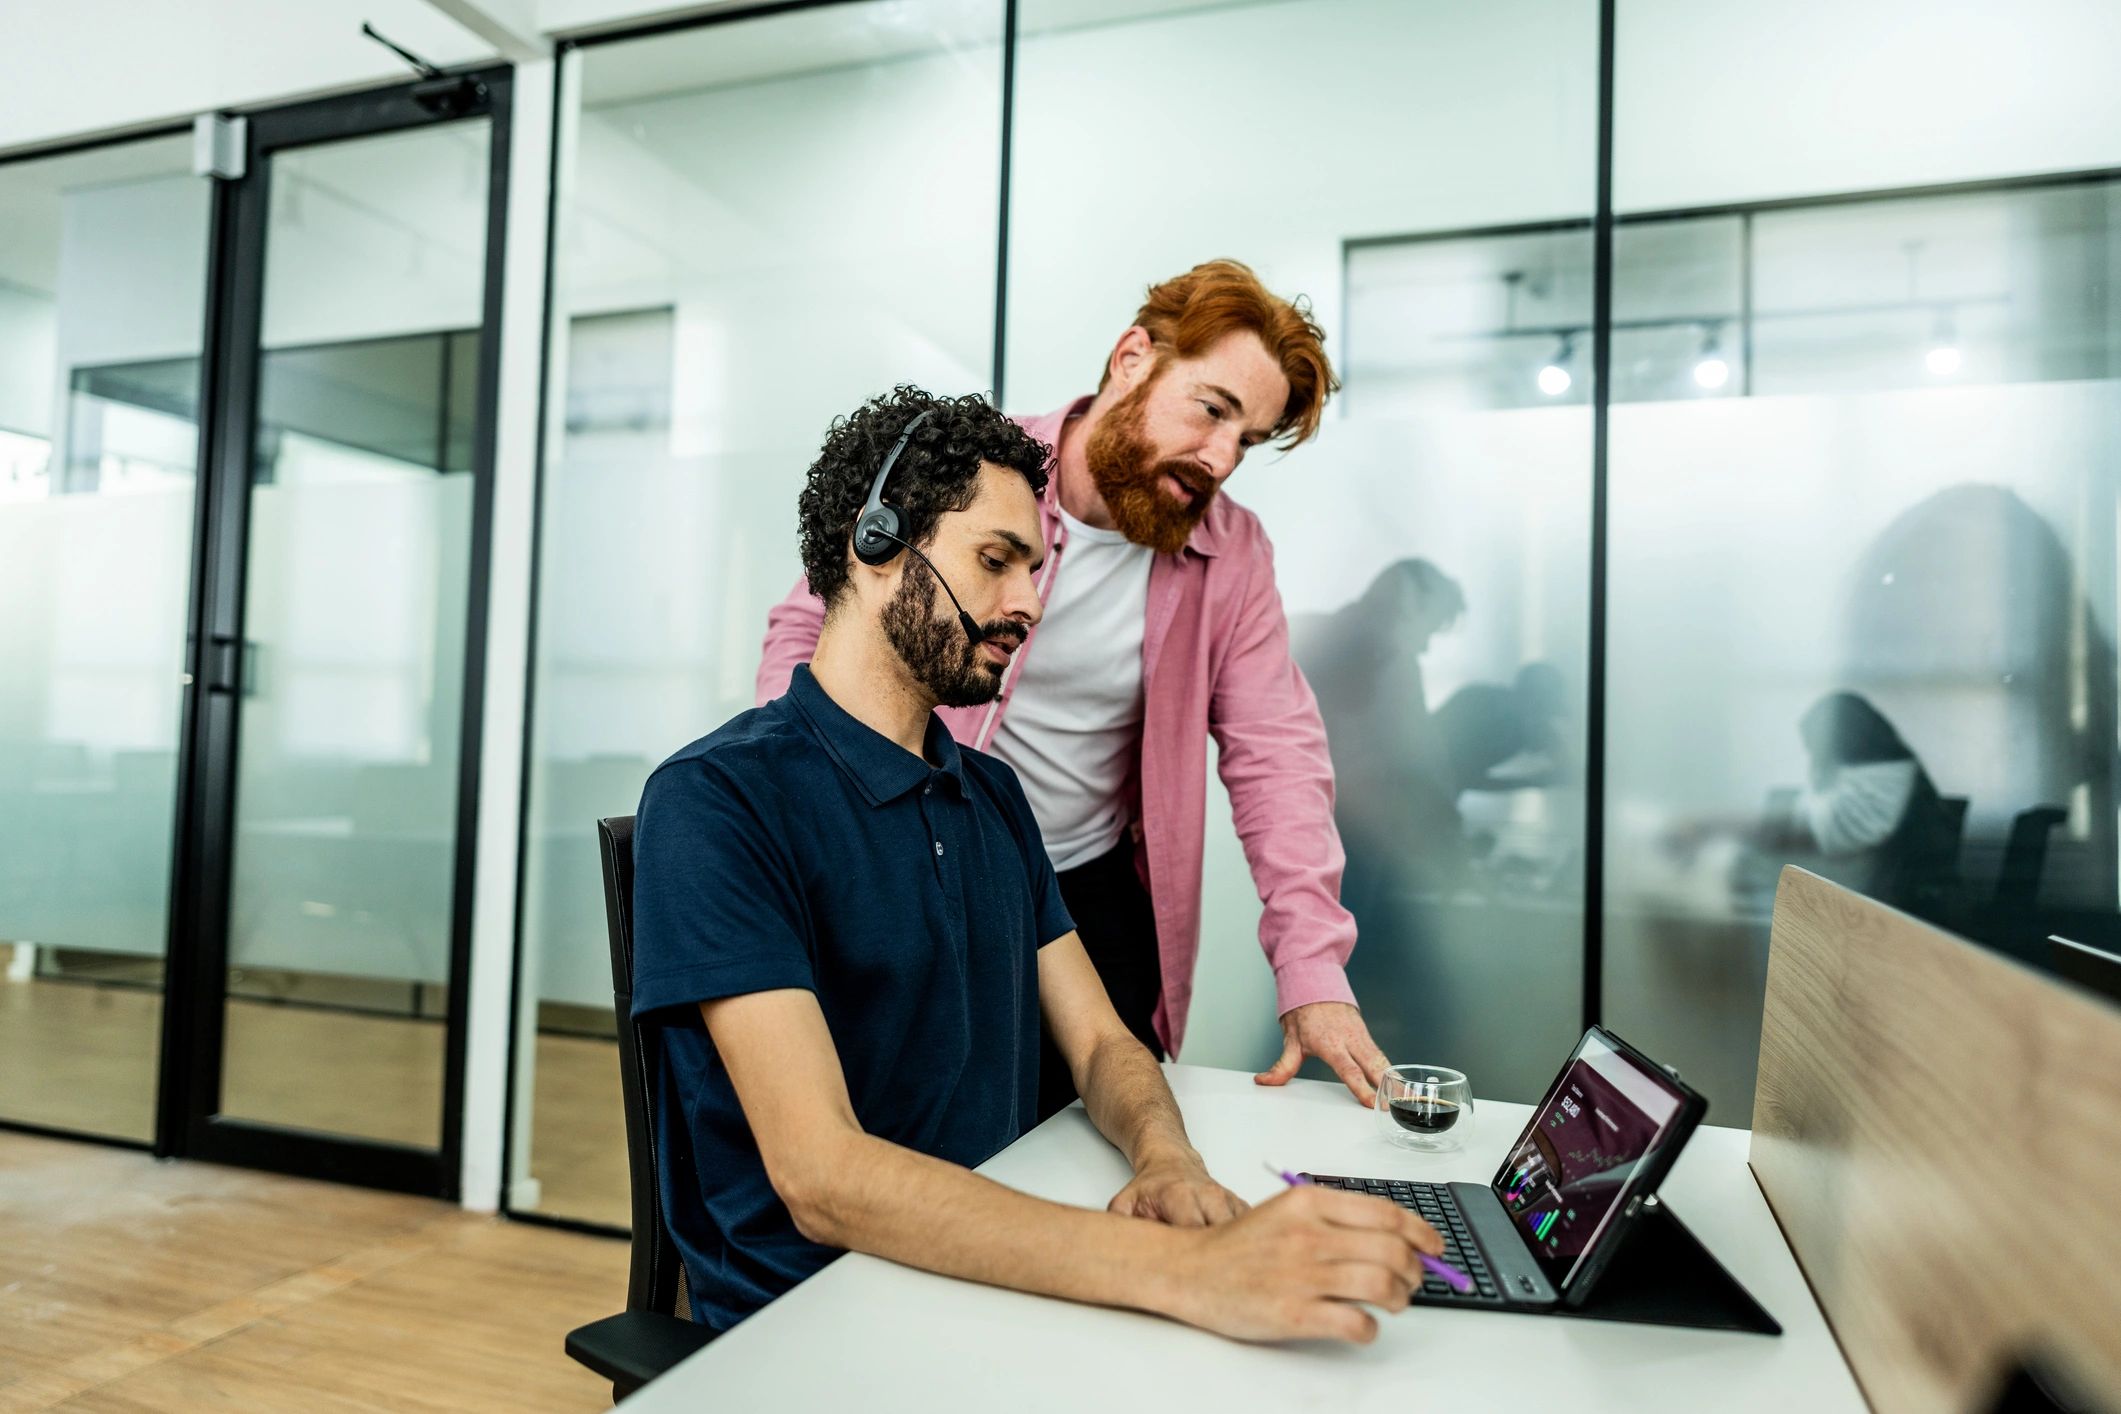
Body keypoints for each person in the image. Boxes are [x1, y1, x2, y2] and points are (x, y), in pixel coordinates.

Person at [632, 388, 1442, 1339]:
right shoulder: (717, 801)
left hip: (988, 1269)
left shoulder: (991, 795)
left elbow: (1101, 1047)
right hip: (818, 1321)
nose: (1028, 604)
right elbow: (824, 1178)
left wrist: (1166, 1160)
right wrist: (1185, 1271)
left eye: (1035, 568)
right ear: (876, 544)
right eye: (994, 562)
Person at [756, 261, 1391, 1116]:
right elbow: (811, 625)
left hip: (1086, 890)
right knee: (917, 1119)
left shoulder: (1230, 552)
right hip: (918, 858)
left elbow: (1276, 754)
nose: (1221, 458)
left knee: (1113, 1126)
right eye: (1212, 409)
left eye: (1247, 440)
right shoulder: (977, 471)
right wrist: (807, 802)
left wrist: (1310, 970)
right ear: (1132, 358)